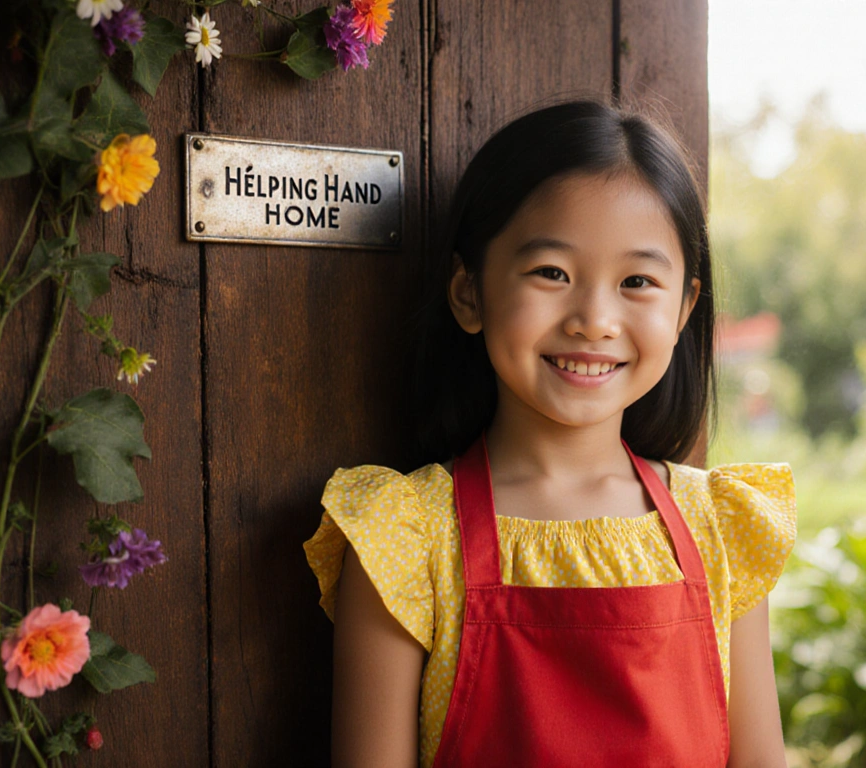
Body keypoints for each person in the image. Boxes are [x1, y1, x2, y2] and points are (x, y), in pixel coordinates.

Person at [303, 98, 798, 768]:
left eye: (638, 282)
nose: (594, 318)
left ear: (684, 309)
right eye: (551, 273)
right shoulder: (407, 535)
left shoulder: (723, 529)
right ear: (469, 293)